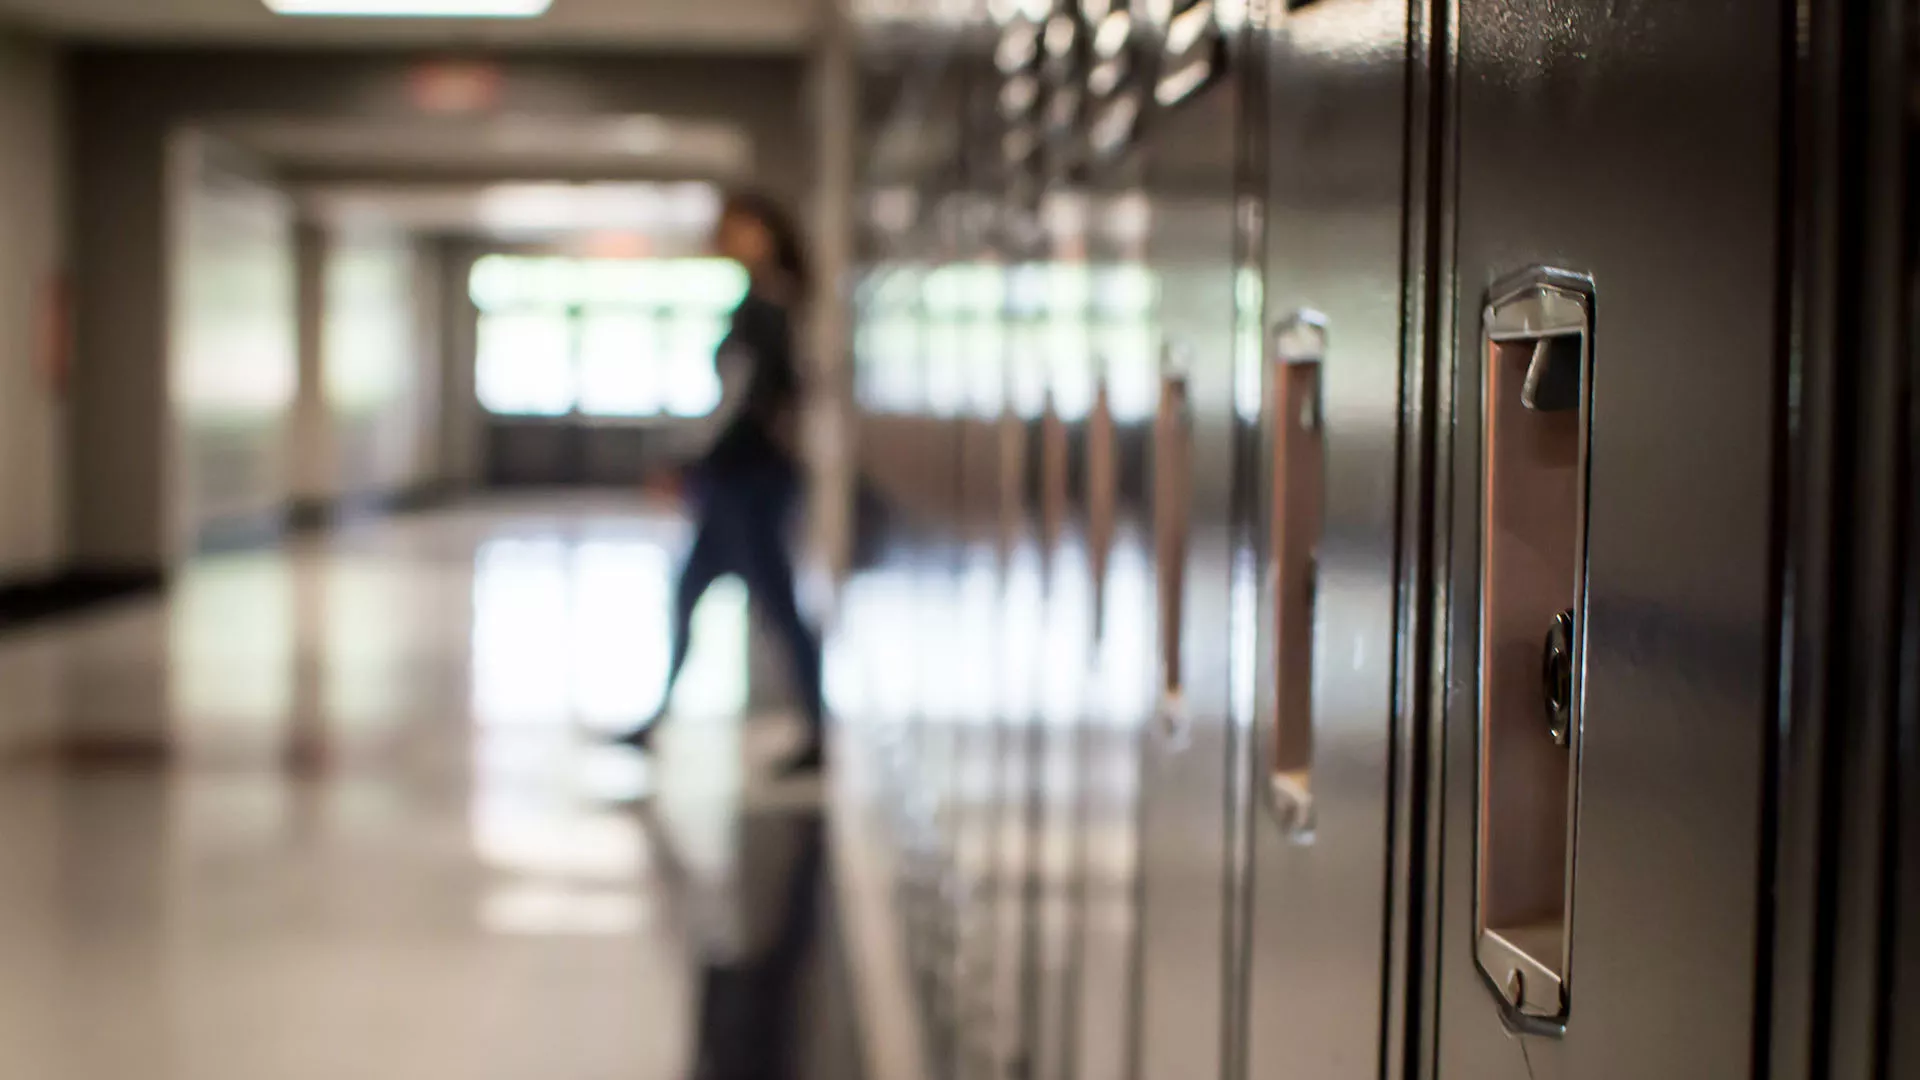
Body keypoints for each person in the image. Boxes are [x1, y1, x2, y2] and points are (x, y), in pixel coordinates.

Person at [616, 192, 827, 776]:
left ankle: (819, 729)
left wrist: (689, 463)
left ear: (765, 232)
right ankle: (657, 717)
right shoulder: (768, 305)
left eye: (738, 229)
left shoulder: (768, 310)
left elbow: (742, 407)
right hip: (739, 479)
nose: (728, 240)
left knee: (777, 606)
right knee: (692, 593)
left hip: (749, 483)